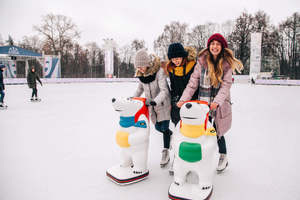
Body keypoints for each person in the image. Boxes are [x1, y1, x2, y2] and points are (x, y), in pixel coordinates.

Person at [177, 33, 243, 173]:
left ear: (222, 47)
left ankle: (223, 156)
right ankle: (198, 159)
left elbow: (225, 86)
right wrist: (184, 99)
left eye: (217, 44)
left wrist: (217, 102)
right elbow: (192, 83)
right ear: (209, 46)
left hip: (219, 104)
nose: (214, 46)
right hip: (203, 102)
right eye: (212, 44)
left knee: (217, 132)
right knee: (201, 132)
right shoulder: (201, 62)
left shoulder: (226, 64)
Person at [133, 49, 172, 167]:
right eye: (138, 67)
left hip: (163, 104)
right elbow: (140, 89)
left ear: (147, 64)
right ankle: (171, 136)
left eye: (141, 66)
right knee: (158, 127)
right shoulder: (142, 75)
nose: (139, 69)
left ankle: (166, 151)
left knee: (164, 128)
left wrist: (156, 101)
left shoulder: (159, 72)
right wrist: (133, 99)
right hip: (152, 106)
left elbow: (164, 90)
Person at [165, 43, 198, 127]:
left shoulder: (192, 66)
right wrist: (173, 101)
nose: (175, 61)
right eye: (173, 59)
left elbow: (194, 85)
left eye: (177, 58)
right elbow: (173, 87)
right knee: (178, 124)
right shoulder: (171, 69)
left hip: (192, 99)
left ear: (183, 56)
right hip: (178, 101)